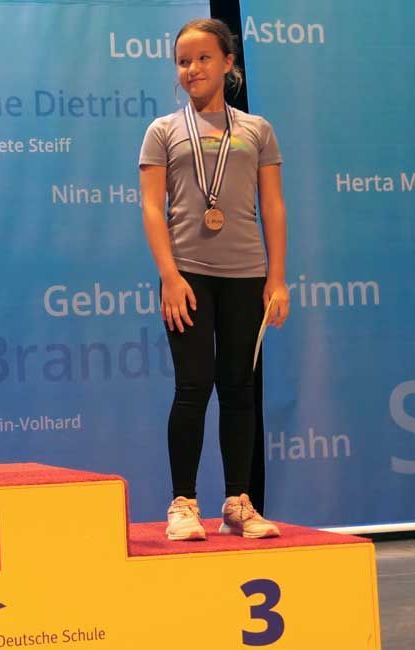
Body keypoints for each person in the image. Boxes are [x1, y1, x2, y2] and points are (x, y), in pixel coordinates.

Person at [138, 19, 289, 540]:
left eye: (203, 58)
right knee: (193, 385)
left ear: (228, 63)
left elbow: (273, 205)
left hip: (247, 275)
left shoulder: (257, 130)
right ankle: (183, 503)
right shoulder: (163, 131)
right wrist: (169, 275)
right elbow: (151, 208)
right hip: (187, 277)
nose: (192, 69)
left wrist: (277, 279)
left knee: (239, 388)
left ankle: (238, 502)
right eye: (183, 61)